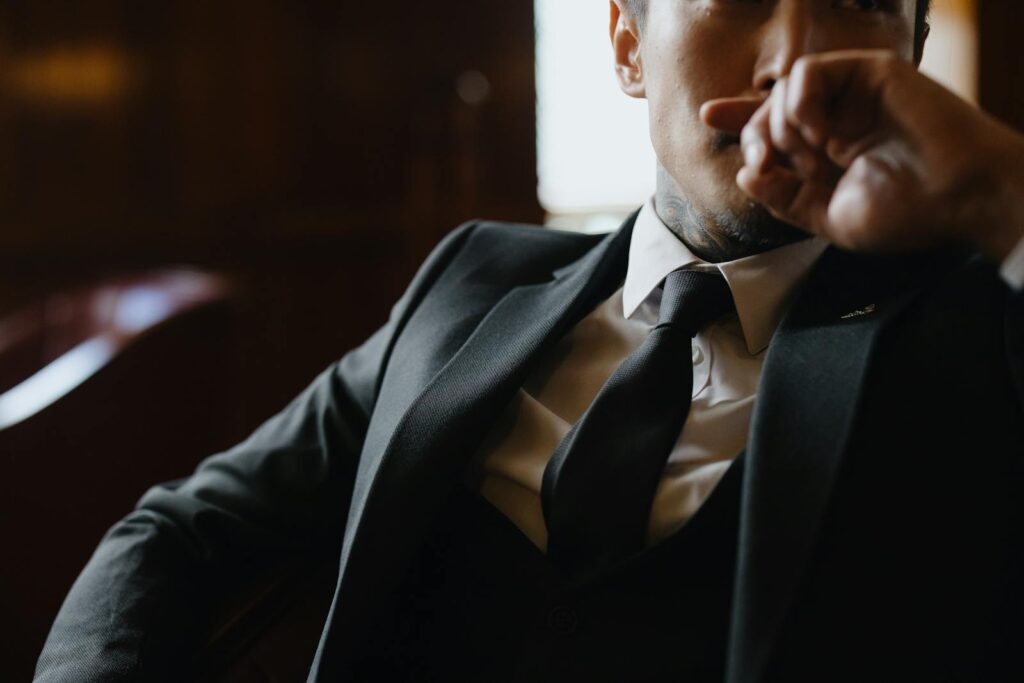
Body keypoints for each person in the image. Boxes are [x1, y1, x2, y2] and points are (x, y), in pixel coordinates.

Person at [36, 0, 1024, 681]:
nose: (793, 65)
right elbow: (173, 532)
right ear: (628, 48)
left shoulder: (979, 324)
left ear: (913, 58)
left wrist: (999, 190)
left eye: (859, 3)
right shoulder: (473, 282)